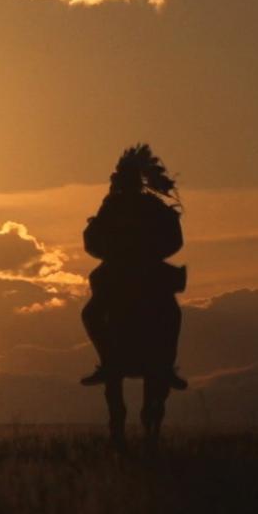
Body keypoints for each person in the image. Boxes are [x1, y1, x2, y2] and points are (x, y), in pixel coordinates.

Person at [80, 144, 187, 389]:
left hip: (138, 271)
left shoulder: (127, 206)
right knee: (171, 314)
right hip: (130, 271)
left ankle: (111, 363)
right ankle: (161, 367)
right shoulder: (115, 206)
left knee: (93, 314)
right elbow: (94, 239)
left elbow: (173, 239)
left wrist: (142, 253)